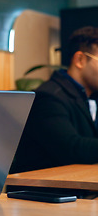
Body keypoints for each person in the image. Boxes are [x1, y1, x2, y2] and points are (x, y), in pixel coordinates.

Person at [10, 26, 98, 174]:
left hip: (78, 186)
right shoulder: (49, 96)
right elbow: (72, 149)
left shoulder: (90, 96)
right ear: (80, 60)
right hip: (45, 192)